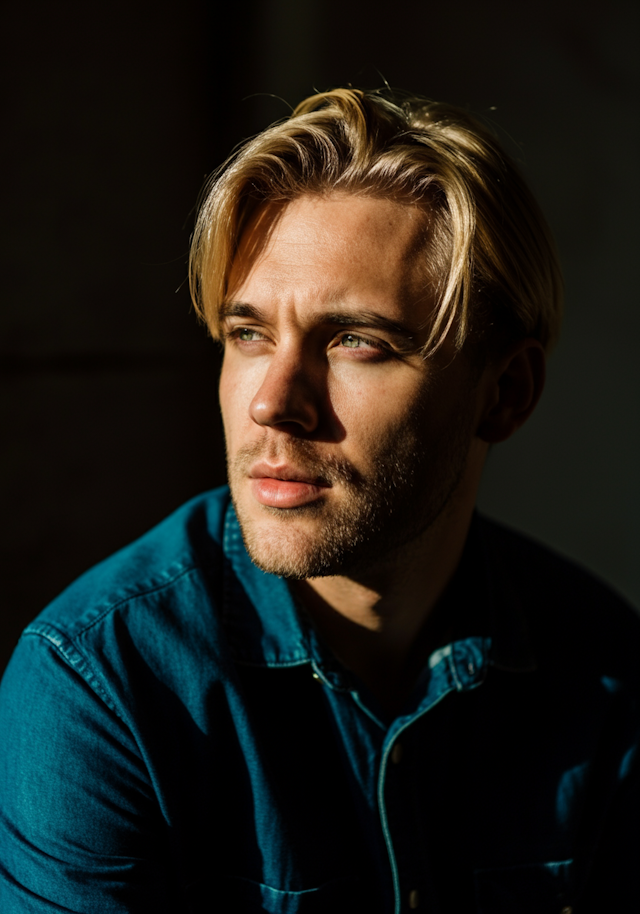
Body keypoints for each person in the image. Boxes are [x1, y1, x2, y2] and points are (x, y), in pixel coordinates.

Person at [0, 87, 638, 914]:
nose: (273, 401)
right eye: (249, 334)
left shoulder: (607, 678)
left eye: (355, 342)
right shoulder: (100, 685)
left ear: (505, 393)